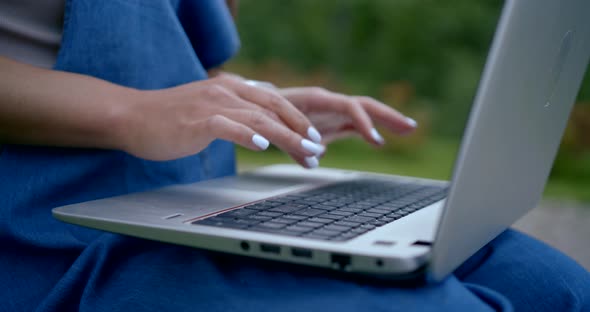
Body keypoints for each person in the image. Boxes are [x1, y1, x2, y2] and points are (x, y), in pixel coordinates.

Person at [0, 1, 589, 311]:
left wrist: (258, 103)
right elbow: (138, 97)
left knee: (559, 289)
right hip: (47, 238)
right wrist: (132, 113)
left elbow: (179, 63)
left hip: (195, 205)